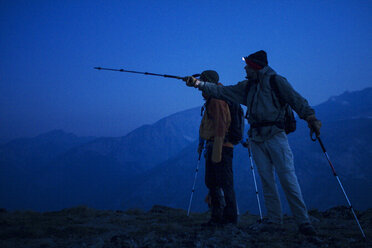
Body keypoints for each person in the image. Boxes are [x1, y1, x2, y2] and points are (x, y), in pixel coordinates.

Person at [184, 51, 321, 235]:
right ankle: (274, 220)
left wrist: (310, 117)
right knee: (267, 181)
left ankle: (303, 222)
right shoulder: (247, 86)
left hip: (275, 136)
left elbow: (295, 99)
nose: (245, 68)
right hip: (257, 137)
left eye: (247, 65)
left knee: (287, 178)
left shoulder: (276, 81)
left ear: (256, 67)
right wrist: (198, 84)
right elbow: (222, 90)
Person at [197, 70, 238, 226]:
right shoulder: (214, 98)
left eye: (202, 82)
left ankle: (228, 218)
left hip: (220, 146)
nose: (200, 87)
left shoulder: (217, 100)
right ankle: (218, 217)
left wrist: (217, 152)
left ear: (208, 82)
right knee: (214, 182)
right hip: (216, 146)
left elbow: (221, 125)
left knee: (224, 183)